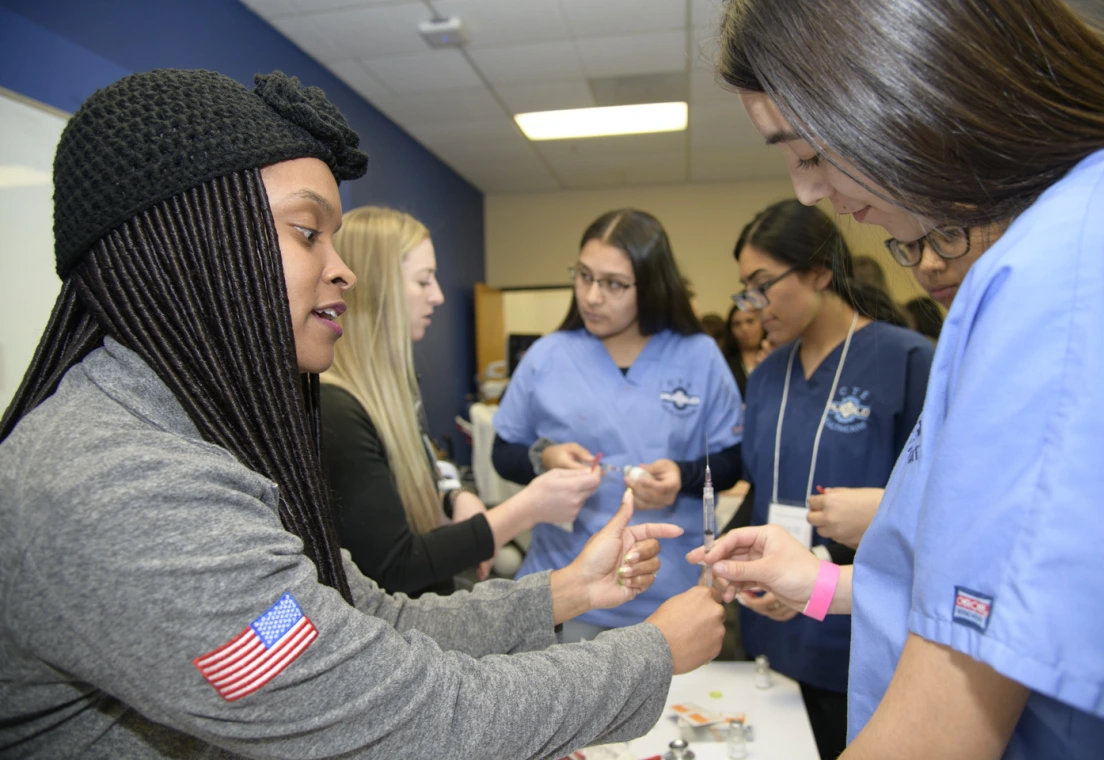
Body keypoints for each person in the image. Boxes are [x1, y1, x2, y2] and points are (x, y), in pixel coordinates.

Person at [0, 68, 729, 759]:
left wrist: (572, 589)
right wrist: (652, 653)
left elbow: (371, 623)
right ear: (188, 244)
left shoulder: (201, 448)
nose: (343, 269)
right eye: (308, 232)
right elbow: (407, 716)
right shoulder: (120, 488)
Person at [697, 1, 1104, 757]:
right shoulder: (1091, 219)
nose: (806, 191)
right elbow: (979, 588)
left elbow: (948, 718)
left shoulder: (1052, 277)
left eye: (806, 152)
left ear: (906, 90)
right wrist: (825, 584)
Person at [729, 199, 933, 759]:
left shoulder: (909, 360)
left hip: (856, 632)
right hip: (770, 622)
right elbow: (760, 490)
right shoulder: (767, 376)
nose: (754, 304)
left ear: (819, 272)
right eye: (744, 291)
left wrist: (883, 511)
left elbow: (948, 502)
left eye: (762, 284)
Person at [321, 206, 606, 596]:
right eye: (423, 281)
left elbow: (396, 493)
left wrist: (455, 496)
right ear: (378, 288)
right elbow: (396, 566)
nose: (437, 296)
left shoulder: (392, 395)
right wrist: (527, 509)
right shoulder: (336, 411)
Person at [492, 209, 743, 641]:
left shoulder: (698, 356)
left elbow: (732, 462)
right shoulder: (548, 356)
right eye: (584, 276)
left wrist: (680, 477)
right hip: (567, 590)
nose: (591, 296)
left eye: (613, 284)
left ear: (650, 287)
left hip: (668, 597)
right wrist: (546, 456)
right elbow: (503, 451)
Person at [806, 221, 1010, 548]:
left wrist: (890, 513)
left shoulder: (911, 355)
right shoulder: (962, 348)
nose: (927, 264)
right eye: (912, 247)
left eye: (950, 234)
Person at [722, 304, 772, 397]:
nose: (744, 329)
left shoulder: (775, 355)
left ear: (762, 322)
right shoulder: (724, 361)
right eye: (737, 324)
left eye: (750, 321)